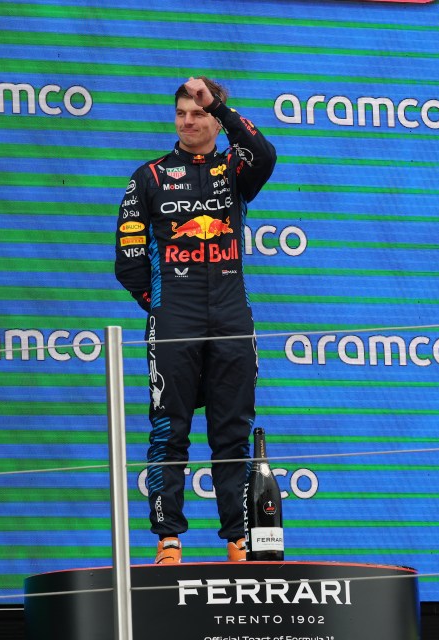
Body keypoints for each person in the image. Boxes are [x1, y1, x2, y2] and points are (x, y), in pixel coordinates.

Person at [114, 77, 276, 563]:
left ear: (214, 116)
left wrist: (223, 110)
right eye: (183, 112)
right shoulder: (150, 177)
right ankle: (168, 539)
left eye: (199, 112)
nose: (189, 120)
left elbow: (264, 156)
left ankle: (238, 539)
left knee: (233, 430)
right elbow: (127, 261)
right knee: (170, 429)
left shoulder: (234, 168)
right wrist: (164, 304)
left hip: (231, 315)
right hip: (175, 318)